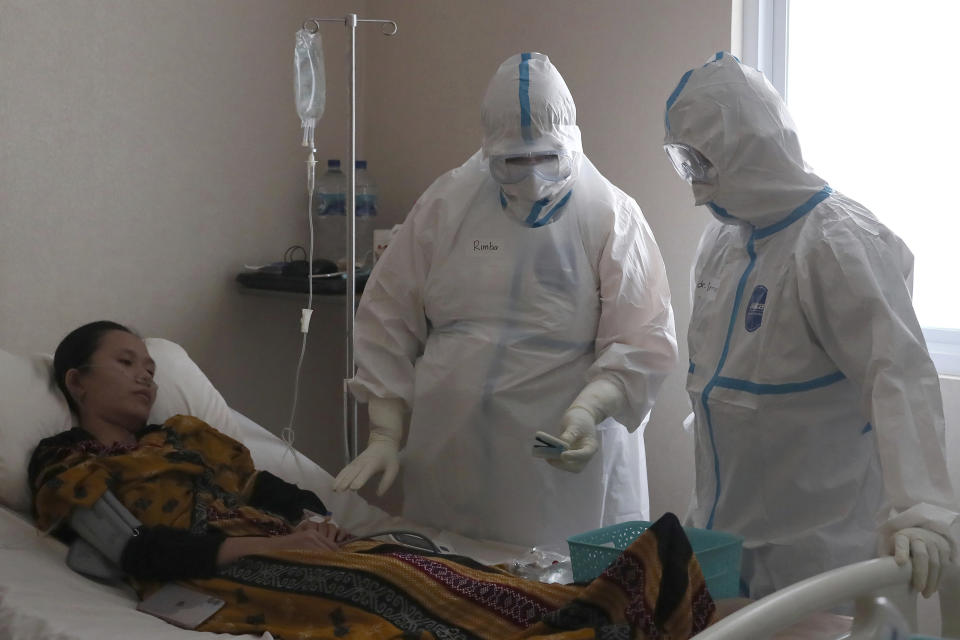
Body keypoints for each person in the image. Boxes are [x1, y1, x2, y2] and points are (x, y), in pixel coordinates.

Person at [29, 321, 717, 638]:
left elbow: (271, 488)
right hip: (211, 575)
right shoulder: (67, 464)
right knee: (393, 587)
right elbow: (134, 552)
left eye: (150, 363)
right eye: (126, 362)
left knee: (421, 560)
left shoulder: (182, 436)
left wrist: (304, 521)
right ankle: (599, 620)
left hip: (283, 544)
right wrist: (268, 550)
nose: (147, 374)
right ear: (77, 380)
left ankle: (607, 604)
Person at [334, 52, 678, 548]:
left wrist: (589, 410)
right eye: (514, 162)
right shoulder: (447, 204)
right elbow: (387, 312)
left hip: (560, 456)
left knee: (559, 603)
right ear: (489, 148)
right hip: (451, 453)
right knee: (452, 592)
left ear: (571, 141)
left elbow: (642, 338)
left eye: (547, 159)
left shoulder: (609, 214)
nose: (533, 177)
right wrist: (385, 432)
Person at [662, 52, 959, 599]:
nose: (695, 181)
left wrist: (920, 511)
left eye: (702, 161)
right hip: (725, 529)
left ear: (748, 148)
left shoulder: (838, 241)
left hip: (821, 542)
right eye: (684, 161)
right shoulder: (722, 242)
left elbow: (897, 376)